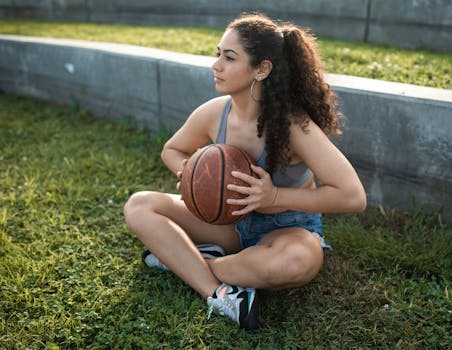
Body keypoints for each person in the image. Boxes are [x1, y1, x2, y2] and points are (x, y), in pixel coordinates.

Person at [124, 13, 366, 331]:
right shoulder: (215, 112)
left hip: (286, 230)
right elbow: (172, 150)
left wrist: (275, 196)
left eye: (229, 57)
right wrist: (191, 173)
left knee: (294, 263)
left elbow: (353, 196)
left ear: (262, 69)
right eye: (218, 54)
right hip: (230, 223)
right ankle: (220, 291)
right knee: (140, 205)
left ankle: (185, 260)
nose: (216, 65)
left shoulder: (293, 126)